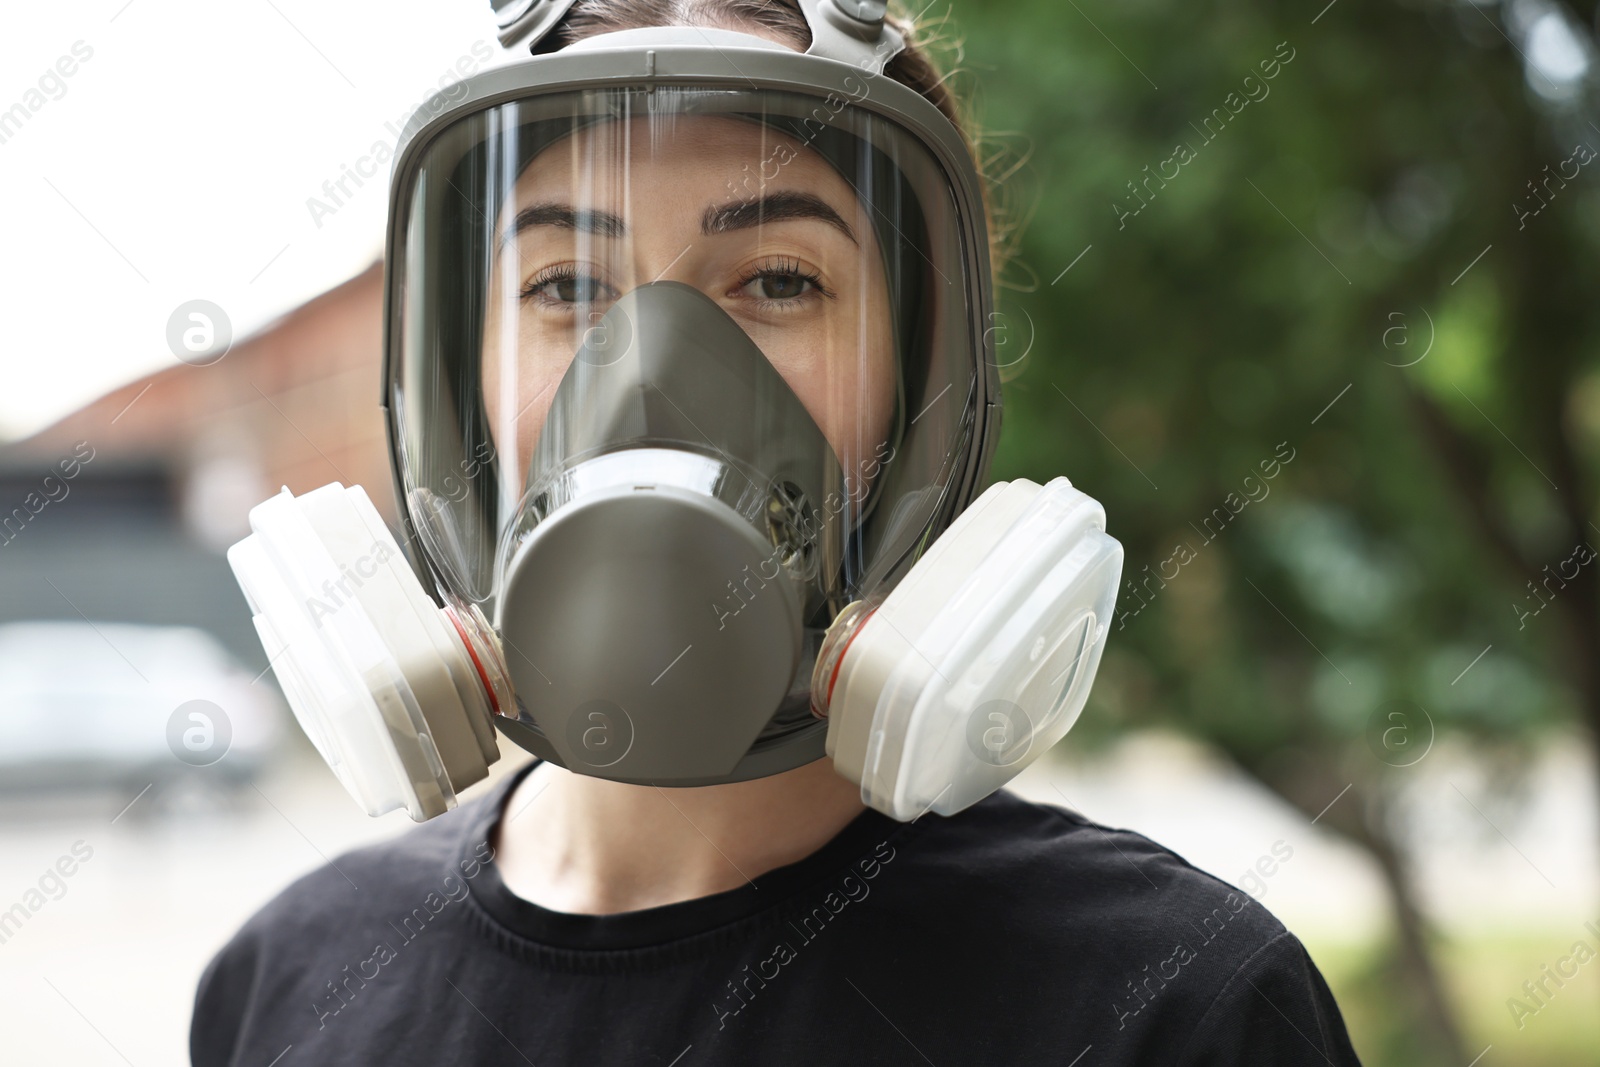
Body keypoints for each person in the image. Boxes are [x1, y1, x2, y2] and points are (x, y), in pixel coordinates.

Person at [195, 1, 1363, 1063]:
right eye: (564, 286)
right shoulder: (285, 984)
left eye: (781, 280)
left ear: (926, 379)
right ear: (462, 385)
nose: (648, 372)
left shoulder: (1173, 1005)